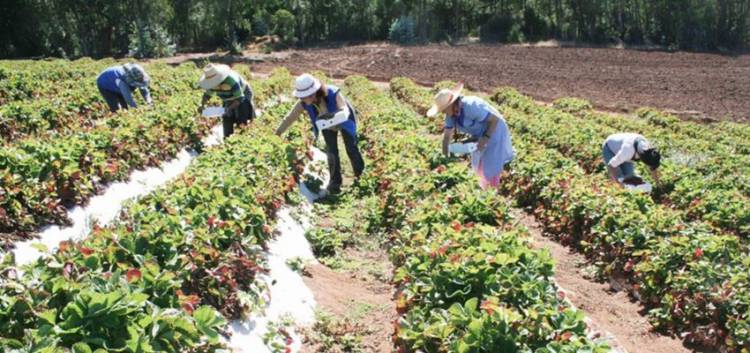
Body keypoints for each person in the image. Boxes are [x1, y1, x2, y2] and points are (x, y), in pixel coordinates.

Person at [275, 73, 365, 195]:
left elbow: (344, 108)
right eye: (303, 96)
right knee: (331, 152)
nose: (305, 99)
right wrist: (278, 132)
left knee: (351, 147)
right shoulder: (303, 103)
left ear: (314, 92)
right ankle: (335, 184)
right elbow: (290, 118)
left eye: (307, 96)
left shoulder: (332, 92)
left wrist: (336, 114)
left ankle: (361, 177)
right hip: (326, 124)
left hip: (345, 120)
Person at [428, 83, 515, 189]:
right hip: (480, 135)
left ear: (451, 104)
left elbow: (494, 120)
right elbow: (446, 138)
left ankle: (492, 192)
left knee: (490, 165)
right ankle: (483, 189)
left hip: (495, 131)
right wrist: (445, 156)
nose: (443, 112)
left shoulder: (471, 105)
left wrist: (485, 138)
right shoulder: (450, 115)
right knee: (478, 165)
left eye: (444, 109)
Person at [197, 63, 255, 138]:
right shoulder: (211, 84)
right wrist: (202, 105)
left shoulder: (231, 81)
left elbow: (239, 98)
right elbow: (207, 96)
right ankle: (228, 140)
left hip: (243, 93)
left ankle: (242, 137)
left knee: (242, 117)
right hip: (228, 98)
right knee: (227, 116)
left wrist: (229, 108)